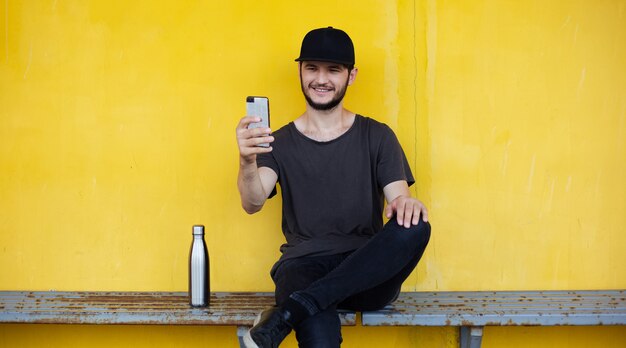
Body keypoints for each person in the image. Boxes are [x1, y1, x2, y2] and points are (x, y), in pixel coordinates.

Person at [236, 26, 431, 348]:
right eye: (312, 68)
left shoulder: (378, 135)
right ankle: (303, 306)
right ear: (299, 71)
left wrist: (406, 205)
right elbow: (253, 202)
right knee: (319, 332)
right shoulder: (276, 143)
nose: (321, 79)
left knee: (416, 225)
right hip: (302, 267)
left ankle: (288, 313)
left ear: (351, 76)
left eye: (333, 70)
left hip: (365, 270)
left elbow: (400, 201)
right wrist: (246, 160)